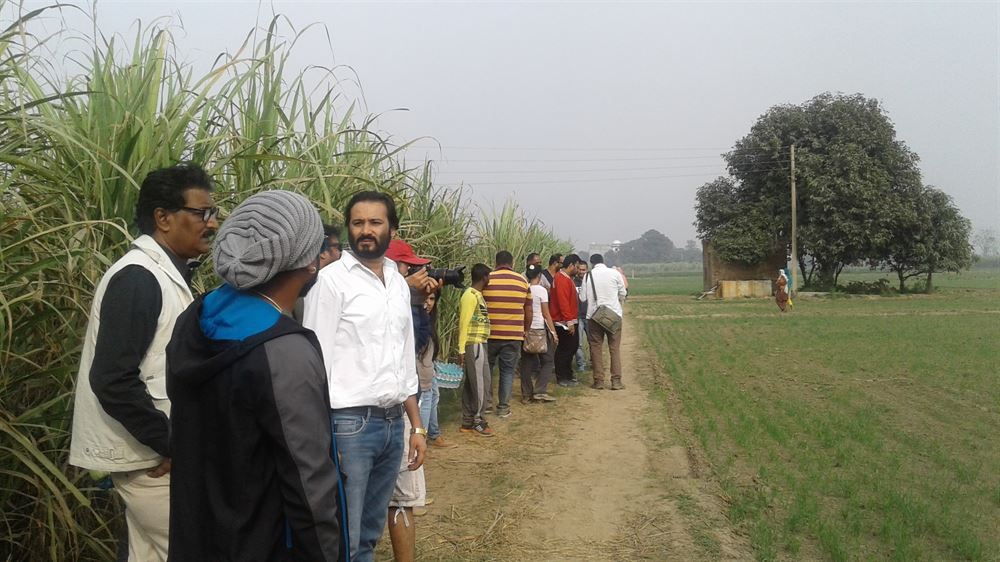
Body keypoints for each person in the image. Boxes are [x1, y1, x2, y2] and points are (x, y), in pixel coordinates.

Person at [166, 191, 347, 561]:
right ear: (309, 262)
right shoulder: (285, 351)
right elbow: (309, 482)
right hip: (264, 545)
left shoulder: (195, 318)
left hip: (198, 536)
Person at [69, 164, 218, 562]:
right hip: (153, 463)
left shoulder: (164, 274)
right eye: (202, 213)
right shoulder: (138, 279)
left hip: (154, 458)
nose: (212, 223)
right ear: (163, 218)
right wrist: (172, 442)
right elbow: (113, 378)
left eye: (213, 212)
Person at [303, 191, 428, 562]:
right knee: (346, 534)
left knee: (369, 534)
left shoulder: (397, 283)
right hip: (349, 426)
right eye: (358, 223)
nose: (366, 230)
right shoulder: (331, 282)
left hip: (392, 424)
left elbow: (404, 359)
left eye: (375, 222)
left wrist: (417, 427)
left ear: (392, 229)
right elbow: (314, 361)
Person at [384, 238, 443, 562]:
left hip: (405, 407)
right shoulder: (371, 300)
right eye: (409, 266)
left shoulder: (408, 302)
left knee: (403, 499)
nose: (417, 273)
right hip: (369, 415)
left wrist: (418, 303)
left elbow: (417, 343)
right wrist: (404, 294)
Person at [481, 250, 532, 418]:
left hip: (489, 334)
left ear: (496, 262)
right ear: (512, 263)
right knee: (507, 371)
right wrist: (526, 329)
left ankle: (487, 404)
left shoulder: (487, 279)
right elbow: (528, 310)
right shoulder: (522, 281)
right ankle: (503, 407)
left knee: (487, 369)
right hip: (513, 335)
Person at [580, 254, 628, 390]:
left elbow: (582, 298)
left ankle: (599, 381)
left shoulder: (588, 276)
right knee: (614, 349)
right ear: (603, 261)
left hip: (594, 317)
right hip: (614, 315)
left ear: (591, 263)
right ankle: (616, 381)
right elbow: (623, 293)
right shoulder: (614, 273)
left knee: (596, 348)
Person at [458, 263, 493, 436]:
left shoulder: (478, 296)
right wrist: (461, 349)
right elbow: (464, 322)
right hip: (475, 344)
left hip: (479, 343)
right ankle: (478, 420)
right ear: (484, 277)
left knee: (471, 384)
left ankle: (467, 420)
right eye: (489, 276)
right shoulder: (470, 296)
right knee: (481, 383)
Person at [520, 264, 558, 403]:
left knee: (526, 363)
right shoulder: (541, 290)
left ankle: (526, 394)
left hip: (526, 329)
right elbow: (546, 313)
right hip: (539, 329)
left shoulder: (524, 288)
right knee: (547, 361)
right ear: (540, 276)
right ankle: (540, 390)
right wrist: (553, 332)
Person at [293, 223, 342, 321]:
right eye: (338, 247)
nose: (341, 253)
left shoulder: (304, 281)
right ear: (323, 252)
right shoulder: (322, 282)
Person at [549, 254, 582, 386]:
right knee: (565, 349)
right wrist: (569, 321)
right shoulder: (562, 279)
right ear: (571, 265)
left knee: (572, 347)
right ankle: (562, 376)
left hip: (568, 319)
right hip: (563, 321)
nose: (578, 270)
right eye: (577, 267)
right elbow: (563, 302)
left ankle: (567, 374)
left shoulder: (565, 278)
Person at [573, 261, 590, 372]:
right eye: (579, 269)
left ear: (587, 270)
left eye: (583, 270)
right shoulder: (573, 282)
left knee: (593, 341)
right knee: (577, 343)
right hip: (577, 316)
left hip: (589, 316)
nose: (581, 272)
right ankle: (581, 365)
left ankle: (594, 363)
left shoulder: (590, 282)